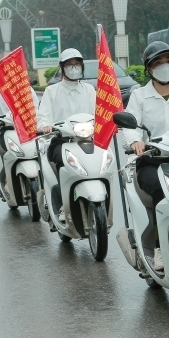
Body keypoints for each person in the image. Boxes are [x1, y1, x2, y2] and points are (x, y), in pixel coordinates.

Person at [123, 41, 169, 271]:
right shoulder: (139, 96)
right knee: (165, 192)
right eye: (158, 63)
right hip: (152, 162)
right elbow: (129, 124)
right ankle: (161, 247)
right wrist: (135, 141)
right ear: (149, 69)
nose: (165, 66)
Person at [37, 49, 96, 222]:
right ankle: (64, 204)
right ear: (62, 68)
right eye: (69, 64)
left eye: (77, 64)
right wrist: (45, 126)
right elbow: (43, 115)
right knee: (65, 165)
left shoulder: (89, 90)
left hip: (87, 139)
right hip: (62, 141)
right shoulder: (52, 91)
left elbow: (98, 114)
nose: (74, 68)